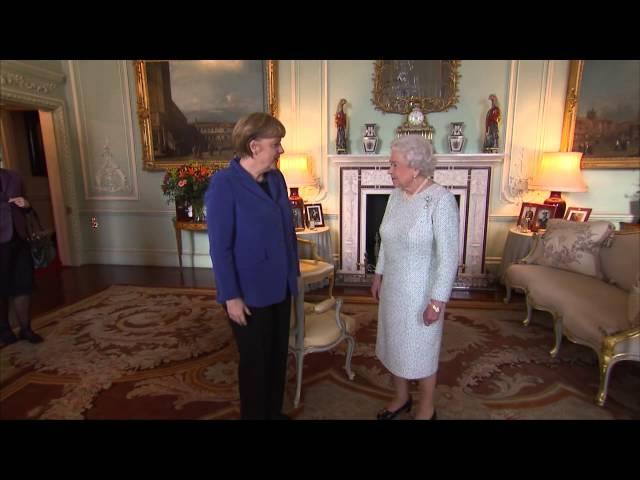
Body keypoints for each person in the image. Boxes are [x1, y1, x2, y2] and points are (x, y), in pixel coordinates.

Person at [205, 112, 299, 420]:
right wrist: (230, 296)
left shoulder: (277, 178)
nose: (281, 150)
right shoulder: (224, 184)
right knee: (255, 363)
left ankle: (272, 413)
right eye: (276, 144)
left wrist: (292, 279)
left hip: (280, 287)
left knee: (276, 358)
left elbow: (286, 231)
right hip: (248, 293)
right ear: (254, 146)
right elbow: (220, 248)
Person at [370, 135, 459, 420]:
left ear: (416, 167)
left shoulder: (440, 201)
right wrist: (378, 274)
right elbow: (386, 238)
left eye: (394, 165)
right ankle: (401, 397)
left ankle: (426, 408)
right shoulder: (396, 196)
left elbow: (448, 258)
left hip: (422, 292)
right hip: (393, 288)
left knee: (421, 351)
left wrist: (437, 302)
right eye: (390, 164)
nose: (390, 170)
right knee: (393, 343)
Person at [0, 168, 44, 346]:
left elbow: (26, 205)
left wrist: (26, 205)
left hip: (19, 238)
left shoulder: (15, 176)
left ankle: (26, 329)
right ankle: (4, 332)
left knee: (23, 285)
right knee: (1, 288)